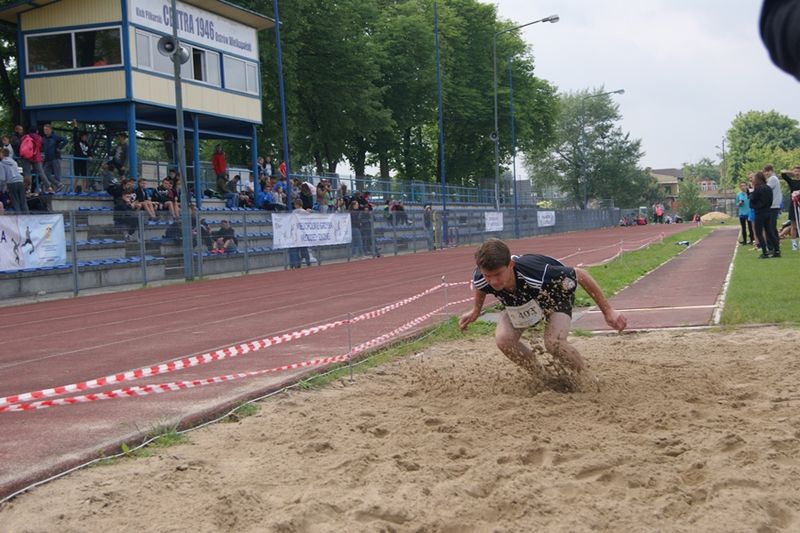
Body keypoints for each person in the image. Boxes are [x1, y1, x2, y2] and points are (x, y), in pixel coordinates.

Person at [459, 239, 627, 380]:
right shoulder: (482, 277)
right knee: (504, 340)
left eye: (498, 274)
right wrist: (475, 311)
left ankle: (586, 378)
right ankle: (542, 377)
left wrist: (608, 312)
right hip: (520, 302)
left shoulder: (535, 272)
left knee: (553, 343)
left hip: (554, 296)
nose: (493, 282)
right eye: (488, 276)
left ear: (510, 265)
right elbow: (481, 288)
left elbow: (580, 274)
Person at [20, 126, 51, 193]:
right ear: (36, 131)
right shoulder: (39, 138)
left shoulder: (25, 137)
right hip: (36, 157)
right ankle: (49, 187)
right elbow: (40, 147)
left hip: (26, 157)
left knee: (27, 173)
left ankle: (27, 189)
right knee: (41, 173)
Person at [749, 171, 774, 259]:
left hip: (760, 212)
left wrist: (751, 193)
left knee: (759, 232)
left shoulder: (758, 188)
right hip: (768, 211)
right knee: (769, 231)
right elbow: (771, 199)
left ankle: (765, 252)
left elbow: (752, 199)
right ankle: (776, 250)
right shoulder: (768, 187)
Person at [762, 164, 782, 257]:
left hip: (773, 206)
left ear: (770, 171)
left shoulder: (773, 179)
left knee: (770, 228)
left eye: (766, 171)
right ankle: (774, 247)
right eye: (764, 172)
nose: (765, 173)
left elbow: (765, 189)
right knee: (772, 228)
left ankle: (773, 247)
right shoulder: (772, 179)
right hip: (772, 206)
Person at [1, 147, 28, 213]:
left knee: (16, 202)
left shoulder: (1, 164)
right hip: (20, 181)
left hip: (11, 183)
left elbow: (3, 178)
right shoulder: (14, 162)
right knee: (23, 202)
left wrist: (2, 188)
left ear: (2, 154)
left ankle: (19, 219)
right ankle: (27, 217)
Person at [41, 124, 67, 192]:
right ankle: (58, 184)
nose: (45, 131)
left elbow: (65, 140)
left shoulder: (55, 137)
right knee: (44, 173)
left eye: (47, 129)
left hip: (55, 157)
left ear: (50, 130)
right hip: (47, 159)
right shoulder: (43, 138)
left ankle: (59, 188)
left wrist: (59, 147)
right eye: (44, 130)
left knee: (57, 174)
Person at [780, 166, 800, 250]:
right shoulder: (791, 181)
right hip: (794, 206)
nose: (797, 173)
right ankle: (794, 245)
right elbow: (782, 173)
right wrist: (791, 172)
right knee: (793, 225)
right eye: (796, 171)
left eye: (799, 171)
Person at [72, 122, 92, 193]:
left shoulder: (87, 144)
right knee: (76, 176)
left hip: (84, 161)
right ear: (81, 136)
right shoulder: (78, 142)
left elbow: (89, 152)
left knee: (84, 176)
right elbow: (75, 135)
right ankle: (73, 190)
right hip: (77, 160)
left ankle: (83, 190)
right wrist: (75, 126)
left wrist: (90, 156)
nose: (86, 137)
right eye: (85, 136)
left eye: (86, 136)